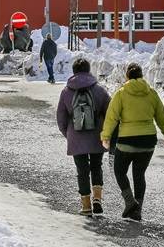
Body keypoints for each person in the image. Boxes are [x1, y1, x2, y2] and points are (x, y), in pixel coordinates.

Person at [100, 63, 164, 221]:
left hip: (127, 140)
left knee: (119, 171)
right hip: (148, 141)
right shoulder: (151, 93)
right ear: (141, 76)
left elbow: (111, 117)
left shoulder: (121, 93)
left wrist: (105, 137)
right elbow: (161, 116)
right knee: (139, 174)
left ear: (127, 76)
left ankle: (130, 202)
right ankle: (137, 210)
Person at [56, 58, 111, 216]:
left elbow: (61, 118)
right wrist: (106, 132)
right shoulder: (99, 90)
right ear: (88, 70)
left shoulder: (66, 92)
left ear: (74, 72)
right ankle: (97, 199)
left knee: (82, 171)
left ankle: (86, 206)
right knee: (96, 166)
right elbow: (110, 113)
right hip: (97, 135)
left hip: (76, 136)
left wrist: (68, 134)